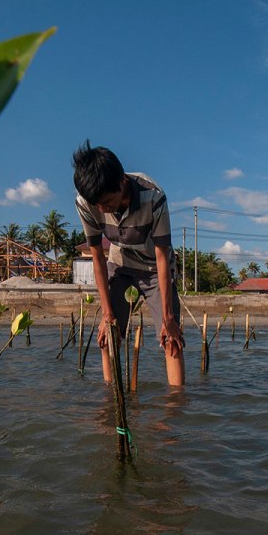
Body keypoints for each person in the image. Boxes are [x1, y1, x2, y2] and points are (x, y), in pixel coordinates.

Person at [72, 140, 185, 386]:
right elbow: (97, 257)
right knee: (108, 335)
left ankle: (175, 410)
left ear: (122, 182)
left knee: (171, 340)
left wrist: (168, 318)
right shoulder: (86, 202)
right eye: (97, 204)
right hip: (120, 265)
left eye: (108, 202)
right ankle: (112, 400)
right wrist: (107, 314)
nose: (103, 209)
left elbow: (162, 256)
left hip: (155, 269)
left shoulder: (153, 196)